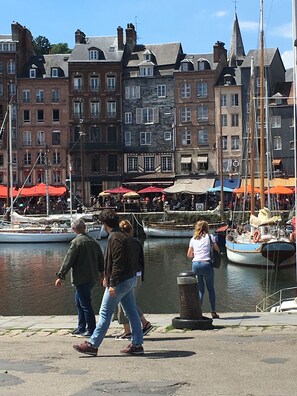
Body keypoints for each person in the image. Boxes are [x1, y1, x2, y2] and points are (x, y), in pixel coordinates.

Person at [73, 209, 144, 356]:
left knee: (105, 312)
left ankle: (93, 344)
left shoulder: (115, 237)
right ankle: (137, 344)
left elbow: (117, 263)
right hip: (129, 279)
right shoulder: (123, 235)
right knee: (131, 312)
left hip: (120, 281)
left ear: (105, 223)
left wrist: (112, 283)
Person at [55, 218, 104, 337]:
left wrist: (61, 276)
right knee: (79, 301)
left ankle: (91, 329)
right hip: (92, 276)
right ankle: (81, 326)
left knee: (85, 303)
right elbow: (100, 258)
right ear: (85, 228)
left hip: (81, 277)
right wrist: (102, 272)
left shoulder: (76, 242)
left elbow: (68, 260)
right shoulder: (93, 241)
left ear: (73, 229)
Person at [114, 219, 153, 340]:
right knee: (128, 302)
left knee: (124, 303)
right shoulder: (136, 242)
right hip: (137, 275)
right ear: (131, 230)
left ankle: (129, 330)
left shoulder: (122, 243)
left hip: (127, 276)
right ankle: (142, 324)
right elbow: (141, 260)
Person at [187, 220, 220, 319]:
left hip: (196, 265)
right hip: (206, 264)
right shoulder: (210, 237)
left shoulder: (193, 239)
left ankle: (198, 312)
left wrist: (197, 253)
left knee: (200, 290)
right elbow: (217, 249)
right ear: (207, 228)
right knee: (211, 289)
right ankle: (213, 312)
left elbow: (189, 255)